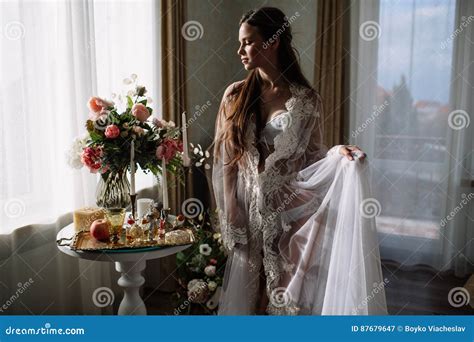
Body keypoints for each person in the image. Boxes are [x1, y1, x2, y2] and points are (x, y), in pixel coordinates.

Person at [212, 6, 387, 315]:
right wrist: (231, 206)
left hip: (287, 212)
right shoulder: (235, 95)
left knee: (280, 295)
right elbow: (227, 158)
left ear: (273, 42)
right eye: (240, 42)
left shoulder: (306, 99)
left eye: (248, 41)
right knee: (248, 295)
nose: (240, 50)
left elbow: (313, 157)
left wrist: (338, 155)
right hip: (248, 209)